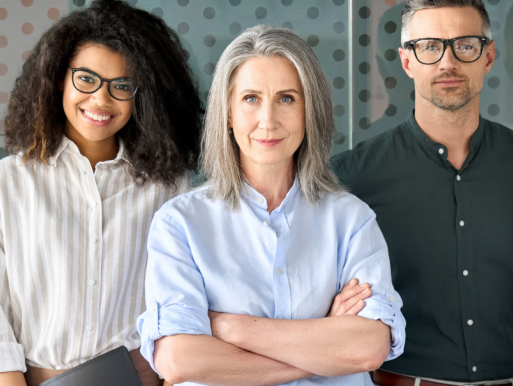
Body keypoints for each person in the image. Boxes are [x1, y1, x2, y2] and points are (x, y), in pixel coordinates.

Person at [136, 25, 406, 386]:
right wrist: (324, 342)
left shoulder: (351, 219)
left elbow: (369, 347)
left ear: (310, 111)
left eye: (287, 98)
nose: (268, 120)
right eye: (250, 98)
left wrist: (230, 327)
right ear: (228, 114)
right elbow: (177, 358)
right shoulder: (180, 223)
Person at [0, 1, 202, 385]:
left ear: (144, 96)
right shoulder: (4, 184)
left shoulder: (170, 187)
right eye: (86, 79)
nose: (101, 100)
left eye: (122, 86)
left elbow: (182, 312)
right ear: (59, 77)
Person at [332, 1, 513, 385]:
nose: (447, 62)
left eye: (465, 45)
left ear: (488, 56)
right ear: (407, 62)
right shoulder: (353, 177)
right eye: (429, 46)